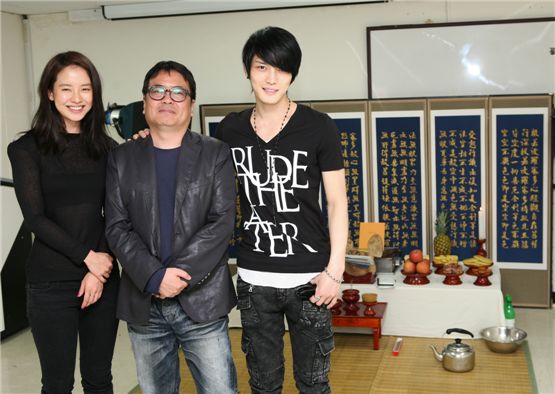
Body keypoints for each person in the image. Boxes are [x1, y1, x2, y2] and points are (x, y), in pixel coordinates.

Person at [215, 26, 349, 393]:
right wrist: (146, 137)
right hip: (254, 279)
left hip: (311, 280)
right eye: (262, 67)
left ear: (293, 73)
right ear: (248, 71)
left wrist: (334, 271)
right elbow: (195, 171)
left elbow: (337, 202)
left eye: (282, 69)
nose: (271, 78)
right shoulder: (229, 130)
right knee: (263, 384)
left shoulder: (318, 127)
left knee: (313, 384)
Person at [104, 60, 238, 394]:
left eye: (178, 91)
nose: (168, 98)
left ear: (191, 104)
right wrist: (154, 276)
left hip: (202, 300)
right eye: (158, 90)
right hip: (144, 304)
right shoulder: (121, 158)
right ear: (144, 102)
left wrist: (176, 274)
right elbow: (116, 226)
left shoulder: (216, 153)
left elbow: (221, 222)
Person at [7, 51, 119, 394]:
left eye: (85, 89)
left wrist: (98, 269)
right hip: (51, 283)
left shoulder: (108, 149)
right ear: (50, 93)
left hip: (102, 278)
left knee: (99, 379)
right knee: (57, 384)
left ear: (94, 94)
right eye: (66, 89)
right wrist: (89, 258)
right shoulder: (25, 149)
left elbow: (116, 214)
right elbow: (35, 218)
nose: (77, 98)